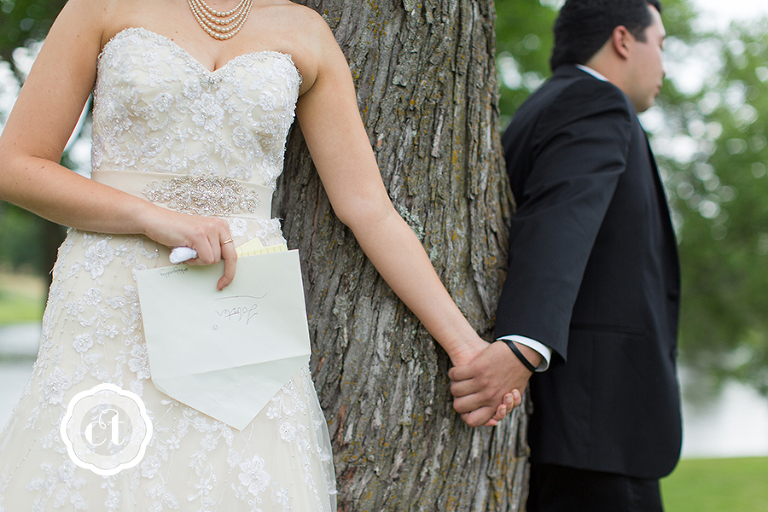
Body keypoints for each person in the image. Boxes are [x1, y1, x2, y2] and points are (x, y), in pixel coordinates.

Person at [0, 0, 516, 508]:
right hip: (110, 298)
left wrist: (466, 347)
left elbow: (370, 210)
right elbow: (15, 165)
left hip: (239, 306)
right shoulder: (101, 6)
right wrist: (148, 216)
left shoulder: (305, 31)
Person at [449, 0, 682, 510]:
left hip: (579, 428)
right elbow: (561, 220)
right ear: (624, 39)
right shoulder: (594, 102)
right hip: (598, 430)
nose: (664, 65)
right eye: (661, 45)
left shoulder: (546, 105)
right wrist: (523, 345)